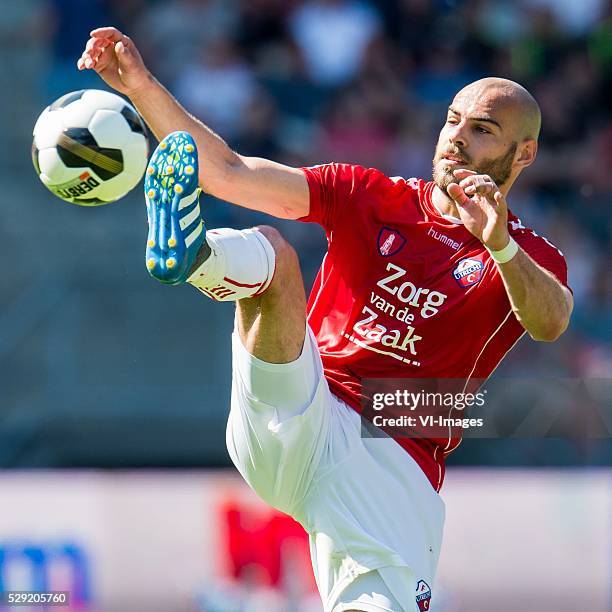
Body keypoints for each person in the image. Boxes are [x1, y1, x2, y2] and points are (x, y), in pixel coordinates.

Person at [78, 27, 573, 612]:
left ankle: (206, 256)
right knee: (275, 257)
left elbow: (550, 322)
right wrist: (140, 84)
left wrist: (500, 248)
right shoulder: (370, 194)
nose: (456, 139)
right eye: (452, 120)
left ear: (524, 153)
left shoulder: (529, 254)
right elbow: (231, 173)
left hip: (393, 461)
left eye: (482, 129)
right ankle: (196, 254)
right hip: (303, 404)